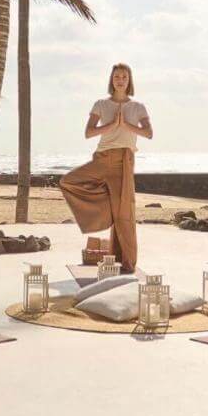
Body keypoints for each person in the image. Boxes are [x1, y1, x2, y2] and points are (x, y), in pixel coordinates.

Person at [59, 64, 153, 272]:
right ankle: (104, 215)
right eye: (117, 76)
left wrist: (125, 125)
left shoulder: (138, 107)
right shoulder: (101, 104)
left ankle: (128, 264)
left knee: (125, 214)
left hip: (123, 161)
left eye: (124, 77)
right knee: (68, 181)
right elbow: (89, 132)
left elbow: (148, 133)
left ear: (129, 81)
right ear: (112, 80)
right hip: (101, 159)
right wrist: (112, 126)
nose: (120, 80)